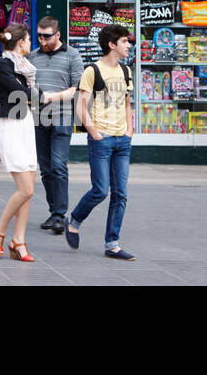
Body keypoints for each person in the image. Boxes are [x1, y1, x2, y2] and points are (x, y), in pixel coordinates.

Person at [66, 24, 136, 260]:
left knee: (121, 194)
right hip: (102, 139)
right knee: (100, 190)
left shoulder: (126, 71)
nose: (129, 45)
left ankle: (112, 243)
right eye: (125, 41)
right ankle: (74, 219)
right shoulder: (92, 71)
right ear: (111, 44)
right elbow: (80, 106)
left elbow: (127, 104)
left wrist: (130, 130)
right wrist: (95, 132)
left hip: (122, 141)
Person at [0, 23, 39, 262]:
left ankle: (18, 240)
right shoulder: (3, 64)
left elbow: (31, 97)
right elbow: (23, 95)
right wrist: (46, 96)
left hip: (26, 124)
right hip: (12, 126)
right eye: (28, 40)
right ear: (20, 43)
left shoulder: (26, 67)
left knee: (29, 189)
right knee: (25, 189)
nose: (31, 44)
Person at [30, 15, 84, 234]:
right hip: (38, 118)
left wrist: (53, 96)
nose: (43, 41)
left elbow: (77, 88)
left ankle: (60, 215)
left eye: (47, 36)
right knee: (45, 168)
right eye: (39, 36)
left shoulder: (73, 55)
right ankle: (54, 212)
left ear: (58, 34)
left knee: (58, 165)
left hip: (62, 116)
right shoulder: (33, 56)